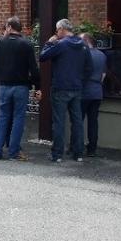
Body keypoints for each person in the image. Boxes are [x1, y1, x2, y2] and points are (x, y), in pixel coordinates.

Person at [39, 18, 93, 162]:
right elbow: (89, 68)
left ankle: (57, 155)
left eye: (57, 30)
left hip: (60, 88)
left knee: (59, 122)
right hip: (77, 88)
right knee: (77, 122)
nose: (56, 33)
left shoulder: (61, 44)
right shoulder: (83, 44)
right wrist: (81, 81)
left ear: (62, 29)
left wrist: (50, 42)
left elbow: (43, 56)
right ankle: (78, 154)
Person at [0, 16, 42, 160]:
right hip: (21, 87)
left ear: (10, 27)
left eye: (6, 26)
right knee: (18, 118)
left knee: (2, 118)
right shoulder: (26, 44)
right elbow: (34, 69)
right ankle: (14, 152)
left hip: (4, 86)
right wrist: (38, 87)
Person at [80, 33, 107, 157]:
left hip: (84, 91)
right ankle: (92, 149)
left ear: (86, 41)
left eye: (80, 40)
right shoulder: (102, 55)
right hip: (97, 91)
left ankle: (76, 147)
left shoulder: (83, 54)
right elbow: (103, 76)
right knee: (93, 122)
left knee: (78, 121)